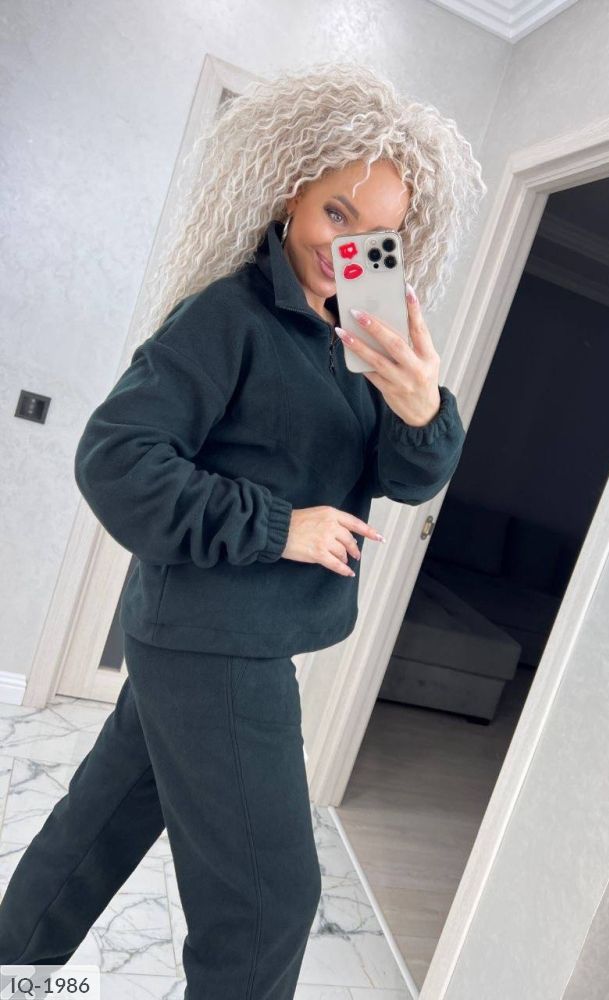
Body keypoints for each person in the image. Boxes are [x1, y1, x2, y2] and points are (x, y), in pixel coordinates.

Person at [0, 61, 486, 998]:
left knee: (91, 836)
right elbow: (115, 459)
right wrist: (277, 528)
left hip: (213, 634)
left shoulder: (359, 332)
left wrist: (423, 406)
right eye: (336, 213)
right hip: (216, 641)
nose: (348, 246)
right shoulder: (226, 317)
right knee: (267, 908)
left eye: (377, 234)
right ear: (291, 195)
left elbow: (404, 476)